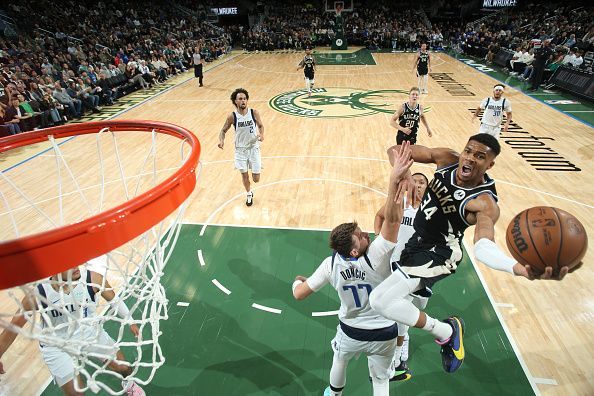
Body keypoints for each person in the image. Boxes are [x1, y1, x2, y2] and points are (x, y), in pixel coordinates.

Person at [373, 135, 569, 374]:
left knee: (380, 300)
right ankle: (446, 331)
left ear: (490, 165)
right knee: (395, 302)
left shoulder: (484, 202)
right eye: (468, 151)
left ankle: (446, 332)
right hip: (415, 243)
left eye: (480, 156)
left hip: (441, 253)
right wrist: (404, 174)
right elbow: (395, 149)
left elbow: (483, 245)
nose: (470, 159)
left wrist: (517, 268)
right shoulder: (447, 159)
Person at [292, 143, 414, 396]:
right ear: (355, 251)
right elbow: (392, 220)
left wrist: (296, 282)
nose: (366, 234)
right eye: (361, 236)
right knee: (380, 380)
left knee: (340, 359)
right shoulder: (377, 257)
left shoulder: (331, 264)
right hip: (384, 330)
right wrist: (394, 180)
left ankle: (334, 394)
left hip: (351, 329)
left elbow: (299, 294)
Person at [0, 264, 145, 396]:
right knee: (77, 394)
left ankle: (129, 384)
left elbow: (114, 301)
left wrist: (130, 321)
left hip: (89, 333)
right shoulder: (39, 293)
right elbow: (13, 328)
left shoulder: (92, 279)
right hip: (57, 346)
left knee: (124, 368)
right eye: (67, 265)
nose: (75, 267)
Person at [373, 172, 429, 380]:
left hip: (423, 268)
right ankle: (400, 347)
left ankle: (401, 338)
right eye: (414, 181)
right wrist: (380, 239)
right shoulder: (400, 203)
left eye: (422, 182)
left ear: (427, 187)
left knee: (417, 307)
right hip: (397, 266)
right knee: (400, 308)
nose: (417, 185)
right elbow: (380, 215)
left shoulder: (433, 211)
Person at [218, 88, 265, 206]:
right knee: (244, 175)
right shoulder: (232, 116)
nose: (243, 101)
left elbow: (260, 126)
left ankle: (252, 184)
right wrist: (221, 141)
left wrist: (262, 134)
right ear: (235, 101)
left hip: (254, 148)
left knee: (256, 179)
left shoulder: (254, 113)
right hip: (240, 150)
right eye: (240, 99)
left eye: (244, 98)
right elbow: (223, 130)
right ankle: (249, 193)